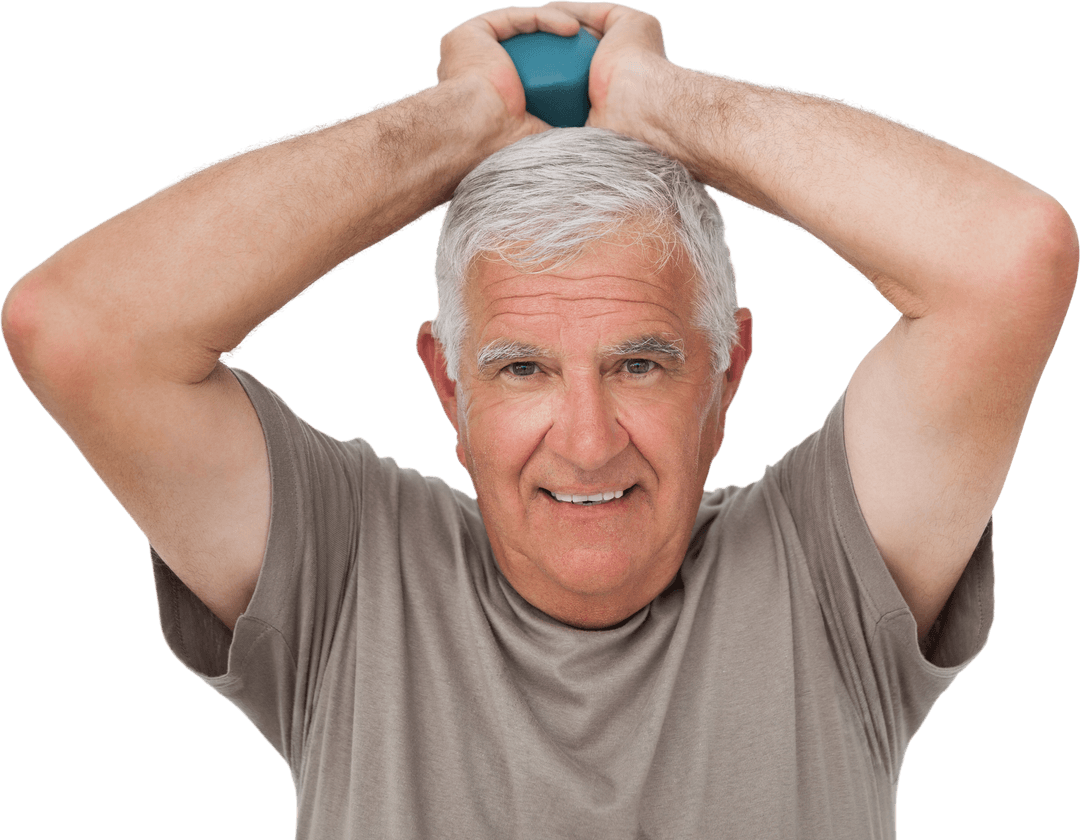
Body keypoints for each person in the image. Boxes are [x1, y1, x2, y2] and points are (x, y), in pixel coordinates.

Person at [2, 1, 1074, 837]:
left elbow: (1008, 262)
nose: (588, 436)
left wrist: (664, 104)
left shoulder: (828, 577)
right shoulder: (345, 575)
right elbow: (78, 331)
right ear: (448, 387)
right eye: (520, 369)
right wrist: (457, 124)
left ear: (728, 373)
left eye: (642, 363)